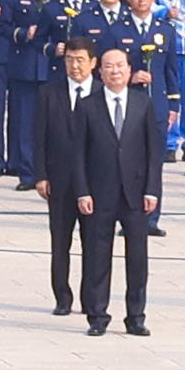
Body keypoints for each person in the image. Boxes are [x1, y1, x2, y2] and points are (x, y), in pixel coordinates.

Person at [53, 41, 162, 340]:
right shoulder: (88, 106)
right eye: (109, 66)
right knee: (97, 257)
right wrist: (82, 191)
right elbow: (78, 154)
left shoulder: (143, 103)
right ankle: (98, 315)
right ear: (100, 71)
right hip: (99, 194)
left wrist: (152, 190)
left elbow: (154, 152)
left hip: (136, 194)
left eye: (121, 66)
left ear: (129, 71)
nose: (115, 71)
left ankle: (136, 316)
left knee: (137, 259)